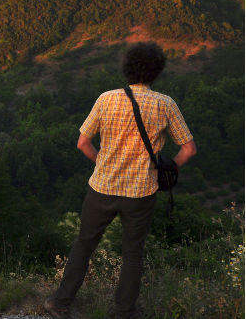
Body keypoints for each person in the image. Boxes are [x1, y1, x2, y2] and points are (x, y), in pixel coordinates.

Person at [44, 42, 197, 319]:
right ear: (157, 71)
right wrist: (169, 168)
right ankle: (124, 311)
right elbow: (189, 149)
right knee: (132, 253)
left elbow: (82, 142)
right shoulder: (165, 104)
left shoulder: (106, 99)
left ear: (127, 68)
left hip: (102, 187)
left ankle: (60, 303)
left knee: (84, 244)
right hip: (141, 192)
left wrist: (102, 162)